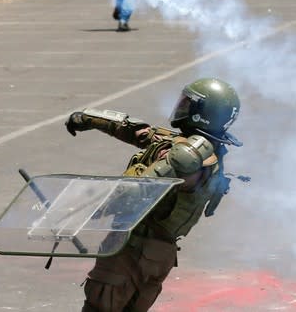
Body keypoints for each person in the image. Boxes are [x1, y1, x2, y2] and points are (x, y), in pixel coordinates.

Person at [65, 77, 242, 312]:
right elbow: (143, 132)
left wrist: (76, 210)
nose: (182, 106)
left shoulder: (187, 156)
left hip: (133, 253)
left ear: (203, 113)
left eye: (189, 103)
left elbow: (134, 193)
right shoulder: (203, 149)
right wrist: (89, 118)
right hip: (155, 255)